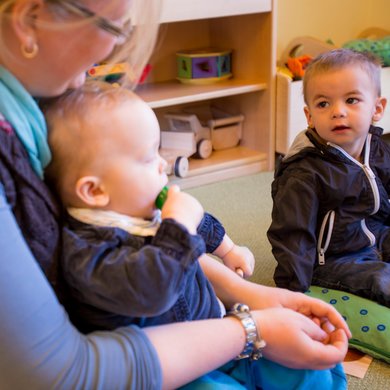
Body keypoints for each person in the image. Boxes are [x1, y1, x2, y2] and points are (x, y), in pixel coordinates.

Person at [0, 1, 351, 388]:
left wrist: (247, 294)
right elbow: (67, 371)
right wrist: (250, 329)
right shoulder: (90, 247)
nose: (111, 54)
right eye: (114, 29)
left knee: (315, 369)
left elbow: (191, 235)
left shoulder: (39, 112)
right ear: (29, 19)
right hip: (157, 351)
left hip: (204, 323)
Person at [42, 80, 255, 332]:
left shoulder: (132, 206)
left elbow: (198, 220)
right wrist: (178, 224)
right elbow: (155, 290)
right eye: (147, 158)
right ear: (95, 191)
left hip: (212, 317)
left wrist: (228, 250)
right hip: (186, 356)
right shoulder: (88, 253)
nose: (162, 164)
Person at [268, 48, 390, 307]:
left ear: (377, 109)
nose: (338, 112)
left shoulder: (378, 148)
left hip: (378, 236)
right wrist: (293, 296)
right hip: (335, 259)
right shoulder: (304, 173)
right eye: (324, 104)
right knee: (382, 279)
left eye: (352, 100)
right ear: (310, 116)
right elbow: (292, 236)